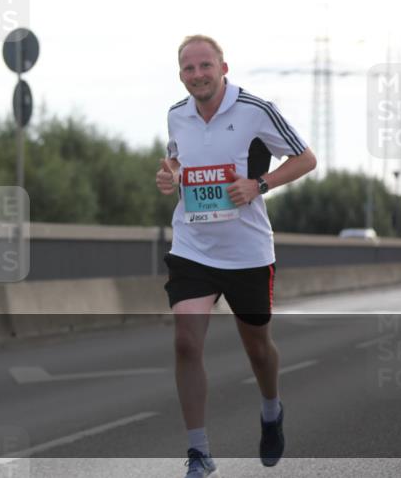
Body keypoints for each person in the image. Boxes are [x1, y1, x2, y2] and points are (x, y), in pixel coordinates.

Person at [156, 35, 317, 477]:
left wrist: (259, 185)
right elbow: (175, 160)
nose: (197, 75)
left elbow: (306, 158)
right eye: (188, 69)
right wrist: (168, 175)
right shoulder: (177, 115)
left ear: (223, 68)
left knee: (258, 348)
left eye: (205, 66)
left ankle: (270, 410)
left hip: (246, 252)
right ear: (181, 74)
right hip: (191, 247)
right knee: (186, 342)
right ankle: (199, 453)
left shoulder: (254, 110)